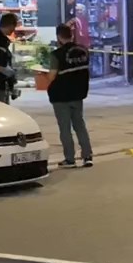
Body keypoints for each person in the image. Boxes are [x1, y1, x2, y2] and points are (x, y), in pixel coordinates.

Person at [47, 23, 93, 168]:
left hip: (61, 96)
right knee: (80, 125)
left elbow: (52, 76)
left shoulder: (56, 55)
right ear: (71, 35)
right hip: (78, 94)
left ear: (59, 37)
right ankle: (87, 156)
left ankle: (70, 159)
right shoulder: (83, 51)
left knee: (65, 128)